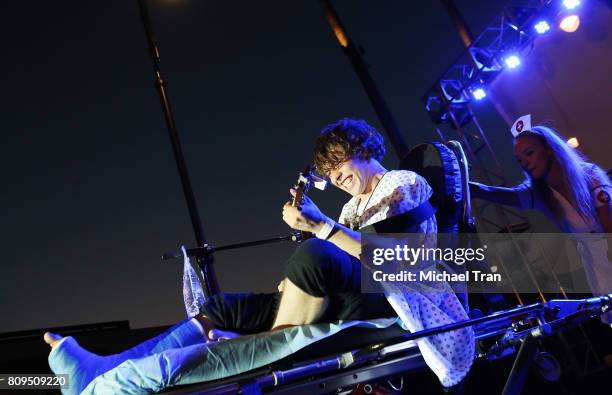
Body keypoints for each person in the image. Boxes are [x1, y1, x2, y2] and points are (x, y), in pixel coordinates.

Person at [44, 118, 473, 393]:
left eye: (339, 165)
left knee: (315, 255)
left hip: (392, 293)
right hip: (343, 291)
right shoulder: (350, 208)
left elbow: (388, 259)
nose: (336, 178)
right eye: (330, 173)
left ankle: (271, 347)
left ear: (362, 150)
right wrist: (311, 246)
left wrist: (320, 227)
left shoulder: (404, 183)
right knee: (223, 305)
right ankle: (102, 369)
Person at [469, 115, 612, 322]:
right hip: (596, 262)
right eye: (519, 160)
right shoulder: (539, 194)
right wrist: (472, 188)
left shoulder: (590, 174)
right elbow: (507, 196)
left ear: (548, 149)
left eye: (529, 153)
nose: (525, 163)